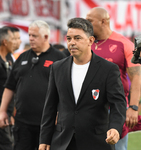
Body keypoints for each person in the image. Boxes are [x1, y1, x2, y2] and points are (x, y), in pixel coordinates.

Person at [38, 18, 126, 150]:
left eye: (77, 38)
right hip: (63, 142)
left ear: (90, 40)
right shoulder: (57, 68)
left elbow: (118, 103)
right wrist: (44, 139)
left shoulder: (108, 69)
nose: (72, 43)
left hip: (97, 142)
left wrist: (115, 128)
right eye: (69, 38)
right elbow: (50, 107)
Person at [0, 20, 65, 150]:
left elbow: (65, 89)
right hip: (23, 122)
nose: (31, 39)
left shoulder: (59, 58)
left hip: (48, 123)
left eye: (34, 36)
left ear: (46, 37)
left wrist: (61, 112)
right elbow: (10, 87)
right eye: (30, 35)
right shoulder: (22, 57)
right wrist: (2, 111)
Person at [86, 7, 141, 150]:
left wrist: (134, 107)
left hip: (115, 109)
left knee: (116, 147)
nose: (85, 24)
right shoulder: (86, 44)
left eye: (89, 21)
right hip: (88, 108)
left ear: (103, 21)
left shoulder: (124, 44)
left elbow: (136, 77)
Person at [0, 27, 15, 150]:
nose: (14, 42)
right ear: (5, 42)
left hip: (7, 115)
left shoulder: (10, 58)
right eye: (12, 39)